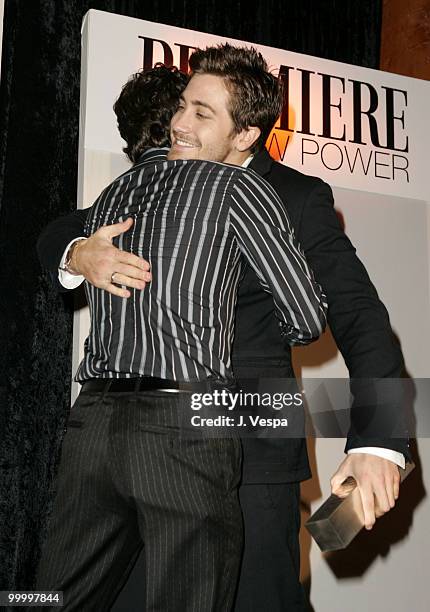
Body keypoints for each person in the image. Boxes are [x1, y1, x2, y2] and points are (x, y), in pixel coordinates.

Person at [38, 44, 410, 611]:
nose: (179, 125)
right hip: (131, 451)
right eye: (181, 108)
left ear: (246, 133)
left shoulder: (296, 197)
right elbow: (62, 229)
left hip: (250, 459)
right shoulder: (154, 180)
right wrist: (78, 252)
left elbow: (360, 318)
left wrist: (380, 441)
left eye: (201, 113)